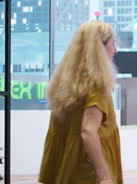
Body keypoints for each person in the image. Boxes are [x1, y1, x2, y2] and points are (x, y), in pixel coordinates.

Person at [39, 20, 122, 184]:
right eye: (112, 44)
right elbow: (88, 131)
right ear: (99, 49)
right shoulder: (96, 85)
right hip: (89, 173)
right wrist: (105, 177)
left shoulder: (66, 85)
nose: (115, 50)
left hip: (66, 170)